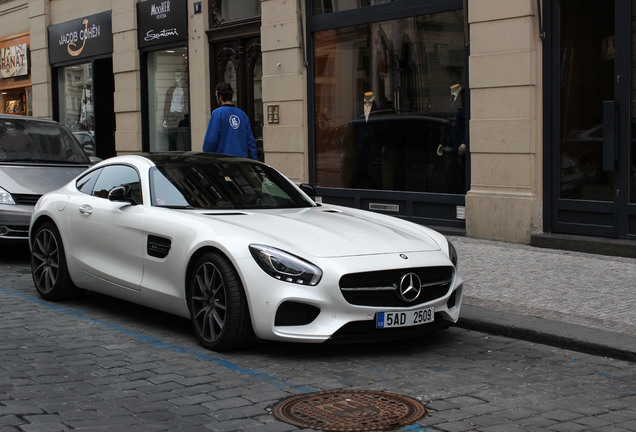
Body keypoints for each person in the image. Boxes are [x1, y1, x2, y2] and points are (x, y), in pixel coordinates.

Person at [203, 83, 257, 159]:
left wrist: (206, 157)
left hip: (224, 162)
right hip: (242, 162)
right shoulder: (242, 114)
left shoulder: (218, 113)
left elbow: (211, 141)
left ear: (220, 97)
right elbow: (250, 142)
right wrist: (254, 160)